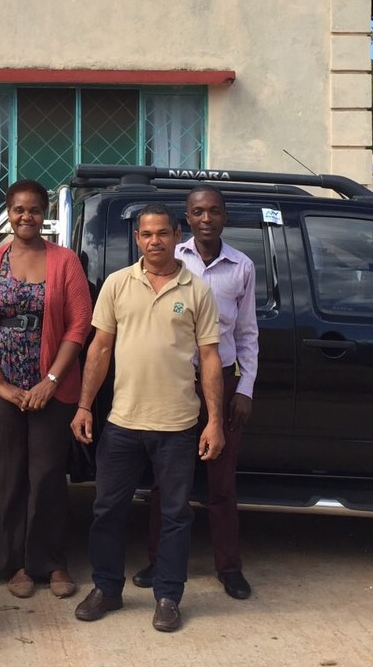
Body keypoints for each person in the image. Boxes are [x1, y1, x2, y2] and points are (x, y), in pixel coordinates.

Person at [70, 203, 224, 633]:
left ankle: (169, 597)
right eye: (146, 234)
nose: (154, 240)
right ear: (136, 239)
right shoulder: (118, 285)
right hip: (123, 422)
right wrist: (84, 406)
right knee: (107, 510)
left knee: (176, 514)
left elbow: (210, 359)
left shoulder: (197, 290)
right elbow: (99, 349)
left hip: (177, 425)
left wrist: (215, 421)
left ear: (178, 236)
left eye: (162, 233)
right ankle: (107, 589)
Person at [0, 179, 93, 599]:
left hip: (50, 386)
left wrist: (51, 380)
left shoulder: (65, 261)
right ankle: (15, 563)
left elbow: (79, 325)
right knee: (7, 474)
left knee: (49, 475)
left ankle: (51, 563)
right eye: (18, 210)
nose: (26, 217)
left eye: (34, 210)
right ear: (8, 212)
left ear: (45, 213)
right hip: (2, 388)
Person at [131, 185, 259, 600]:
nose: (207, 219)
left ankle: (229, 567)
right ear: (186, 219)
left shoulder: (241, 266)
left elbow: (247, 334)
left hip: (220, 381)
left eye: (215, 211)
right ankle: (159, 561)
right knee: (167, 483)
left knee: (221, 483)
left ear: (225, 216)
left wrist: (246, 389)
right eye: (198, 212)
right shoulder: (172, 258)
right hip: (172, 383)